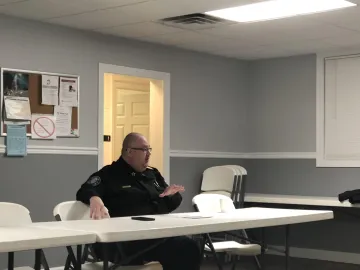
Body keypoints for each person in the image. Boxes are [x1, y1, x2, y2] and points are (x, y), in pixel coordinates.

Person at [76, 132, 201, 270]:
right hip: (124, 242)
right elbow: (85, 190)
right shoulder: (110, 174)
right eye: (144, 150)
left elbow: (167, 204)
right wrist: (95, 198)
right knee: (183, 249)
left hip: (155, 235)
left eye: (149, 149)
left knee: (188, 248)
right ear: (129, 151)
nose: (148, 154)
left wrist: (172, 196)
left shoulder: (152, 174)